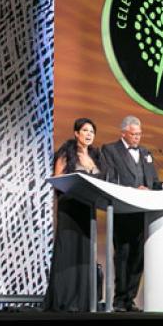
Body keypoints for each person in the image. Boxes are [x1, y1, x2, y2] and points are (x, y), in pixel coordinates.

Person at [101, 116, 163, 312]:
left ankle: (130, 298)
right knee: (123, 253)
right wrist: (133, 189)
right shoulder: (110, 150)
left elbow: (152, 182)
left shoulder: (146, 152)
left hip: (142, 211)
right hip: (122, 210)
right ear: (124, 133)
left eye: (139, 134)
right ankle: (119, 300)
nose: (137, 137)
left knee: (139, 256)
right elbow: (109, 179)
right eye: (134, 134)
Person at [44, 118, 103, 312]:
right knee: (68, 251)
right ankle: (64, 300)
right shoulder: (66, 153)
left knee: (85, 253)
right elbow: (57, 178)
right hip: (70, 208)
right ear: (76, 133)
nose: (89, 134)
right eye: (85, 130)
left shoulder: (96, 155)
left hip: (88, 208)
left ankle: (83, 300)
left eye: (91, 132)